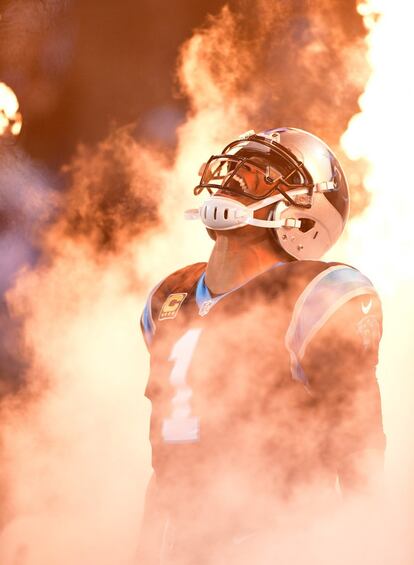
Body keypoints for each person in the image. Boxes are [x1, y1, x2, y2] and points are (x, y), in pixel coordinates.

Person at [138, 128, 385, 565]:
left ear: (304, 219)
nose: (235, 178)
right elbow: (168, 460)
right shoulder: (168, 297)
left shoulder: (320, 293)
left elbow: (359, 453)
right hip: (182, 547)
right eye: (237, 166)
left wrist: (368, 547)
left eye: (260, 173)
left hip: (282, 544)